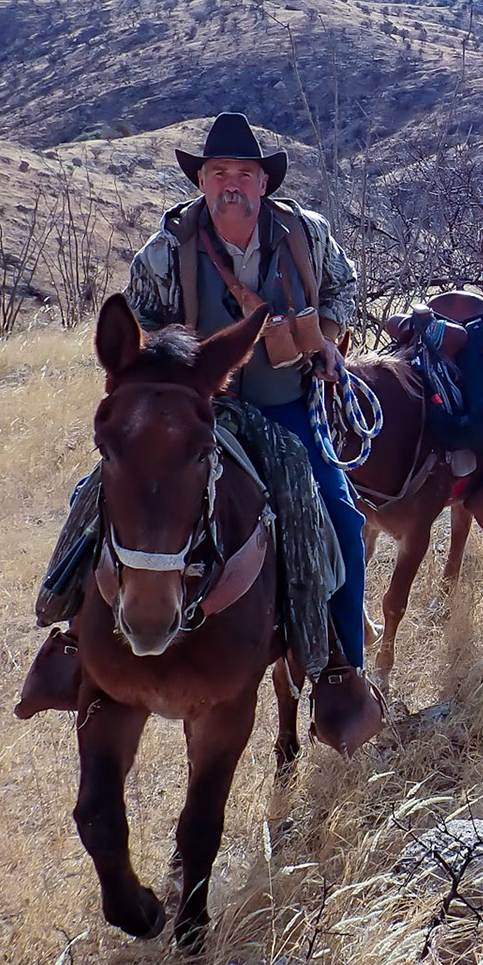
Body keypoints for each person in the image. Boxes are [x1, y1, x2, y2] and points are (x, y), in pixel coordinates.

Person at [25, 112, 381, 750]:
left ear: (263, 181)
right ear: (202, 181)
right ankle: (70, 634)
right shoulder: (164, 252)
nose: (231, 184)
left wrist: (327, 338)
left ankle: (336, 668)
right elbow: (141, 340)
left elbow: (344, 288)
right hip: (194, 412)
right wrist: (188, 375)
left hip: (286, 410)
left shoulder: (307, 235)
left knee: (337, 516)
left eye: (244, 173)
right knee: (96, 494)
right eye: (218, 173)